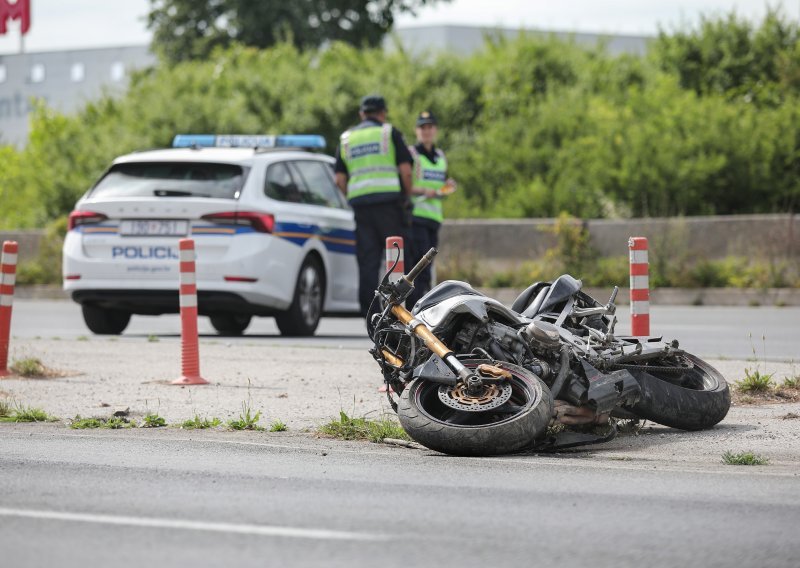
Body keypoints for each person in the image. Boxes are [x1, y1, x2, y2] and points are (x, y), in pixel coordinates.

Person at [334, 94, 414, 317]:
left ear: (362, 114)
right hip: (389, 204)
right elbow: (406, 171)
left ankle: (370, 314)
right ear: (382, 113)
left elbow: (339, 180)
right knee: (395, 260)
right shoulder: (388, 133)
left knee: (368, 262)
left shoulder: (347, 138)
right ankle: (398, 312)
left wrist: (353, 195)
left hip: (361, 207)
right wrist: (407, 196)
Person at [405, 110, 456, 308]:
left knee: (427, 269)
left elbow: (441, 184)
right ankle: (414, 309)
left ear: (435, 130)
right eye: (422, 127)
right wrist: (426, 190)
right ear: (417, 131)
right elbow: (406, 186)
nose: (426, 131)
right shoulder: (412, 154)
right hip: (416, 216)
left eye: (429, 127)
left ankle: (421, 309)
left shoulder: (440, 156)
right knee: (418, 269)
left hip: (433, 218)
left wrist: (448, 187)